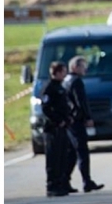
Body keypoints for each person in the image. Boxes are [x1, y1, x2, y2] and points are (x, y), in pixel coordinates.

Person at [63, 56, 104, 193]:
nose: (85, 69)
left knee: (72, 153)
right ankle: (87, 181)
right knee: (82, 152)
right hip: (77, 121)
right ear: (75, 67)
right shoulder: (76, 82)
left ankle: (64, 180)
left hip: (69, 121)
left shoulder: (66, 81)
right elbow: (81, 101)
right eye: (82, 66)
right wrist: (87, 117)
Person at [42, 61, 72, 197]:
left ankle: (61, 184)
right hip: (53, 128)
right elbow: (46, 108)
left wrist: (68, 118)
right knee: (53, 158)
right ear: (57, 72)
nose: (65, 74)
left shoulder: (60, 87)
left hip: (63, 127)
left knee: (62, 156)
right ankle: (52, 186)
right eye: (63, 71)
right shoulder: (49, 88)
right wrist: (57, 121)